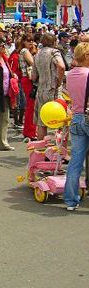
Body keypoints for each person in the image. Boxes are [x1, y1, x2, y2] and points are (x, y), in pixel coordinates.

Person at [63, 42, 89, 211]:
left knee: (75, 161)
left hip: (76, 117)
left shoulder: (70, 74)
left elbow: (67, 94)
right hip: (87, 116)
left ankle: (71, 200)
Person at [31, 33, 65, 140]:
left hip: (41, 89)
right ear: (54, 42)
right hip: (53, 90)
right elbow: (61, 66)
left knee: (42, 122)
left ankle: (41, 149)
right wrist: (59, 80)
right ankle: (59, 149)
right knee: (60, 119)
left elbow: (33, 76)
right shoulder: (54, 52)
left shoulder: (37, 54)